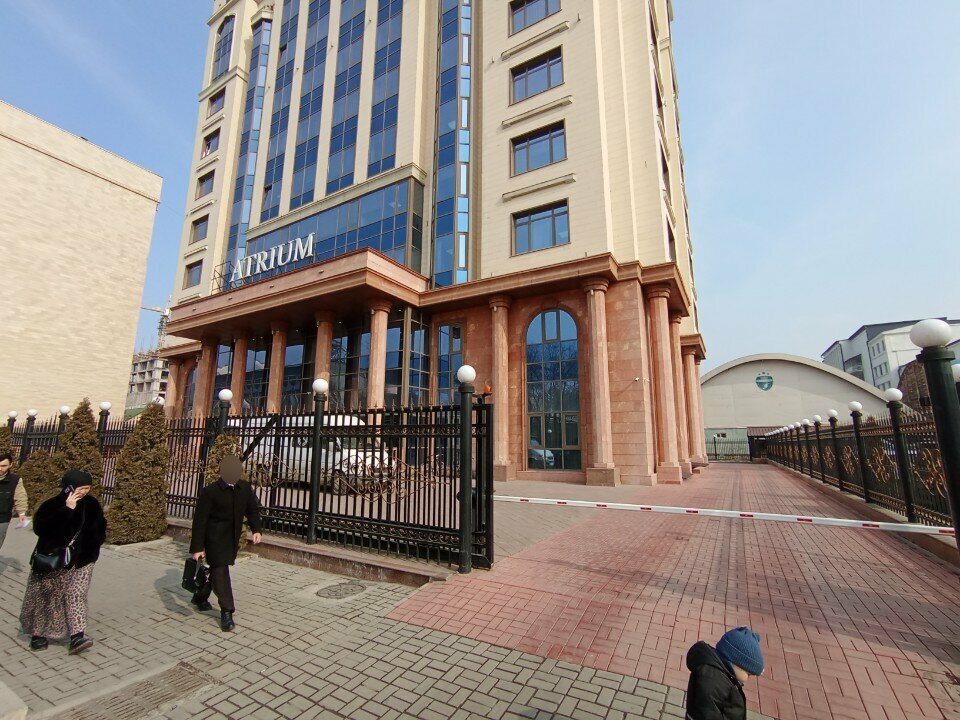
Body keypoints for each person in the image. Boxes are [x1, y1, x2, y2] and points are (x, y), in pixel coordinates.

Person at [19, 469, 106, 654]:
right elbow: (41, 529)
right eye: (80, 488)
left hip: (83, 560)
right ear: (69, 487)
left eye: (87, 488)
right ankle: (39, 635)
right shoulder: (52, 504)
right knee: (46, 596)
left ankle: (77, 636)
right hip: (55, 560)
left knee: (77, 595)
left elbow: (100, 526)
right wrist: (67, 510)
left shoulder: (92, 504)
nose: (84, 492)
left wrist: (94, 547)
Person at [189, 454, 262, 631]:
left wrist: (256, 529)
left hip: (232, 539)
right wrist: (198, 547)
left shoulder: (244, 488)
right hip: (214, 539)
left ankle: (200, 597)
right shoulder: (210, 492)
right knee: (221, 572)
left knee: (216, 572)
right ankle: (227, 612)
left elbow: (252, 510)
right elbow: (200, 522)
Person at [685, 627, 765, 720]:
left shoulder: (723, 676)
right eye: (748, 674)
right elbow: (707, 713)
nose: (748, 678)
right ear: (734, 664)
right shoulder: (713, 683)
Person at [0, 452, 29, 549]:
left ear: (10, 465)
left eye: (3, 466)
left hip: (2, 519)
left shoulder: (15, 480)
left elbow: (20, 496)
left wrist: (22, 513)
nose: (0, 469)